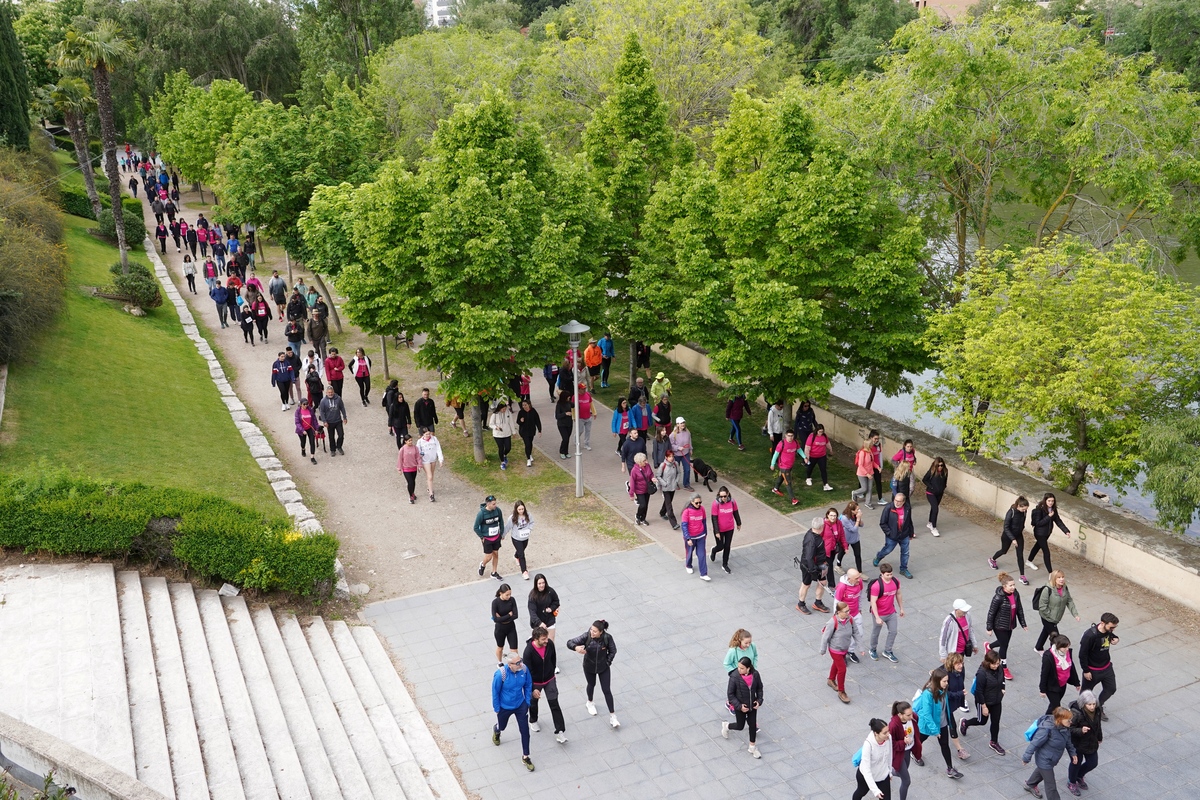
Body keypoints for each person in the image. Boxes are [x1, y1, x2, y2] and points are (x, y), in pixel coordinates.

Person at [913, 667, 965, 780]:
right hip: (929, 724)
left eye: (947, 681)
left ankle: (950, 768)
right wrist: (935, 731)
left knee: (944, 745)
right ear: (937, 681)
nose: (947, 683)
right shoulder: (928, 694)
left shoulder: (943, 689)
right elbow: (927, 715)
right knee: (920, 739)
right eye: (945, 681)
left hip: (941, 723)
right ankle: (914, 753)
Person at [567, 620, 619, 728]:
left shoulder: (607, 638)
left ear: (601, 632)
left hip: (603, 667)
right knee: (591, 684)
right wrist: (576, 648)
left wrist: (607, 662)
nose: (592, 632)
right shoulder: (587, 636)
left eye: (595, 631)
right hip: (589, 666)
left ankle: (613, 716)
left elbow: (613, 650)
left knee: (607, 690)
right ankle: (590, 702)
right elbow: (570, 642)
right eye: (591, 629)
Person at [490, 652, 535, 773]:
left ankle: (526, 756)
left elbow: (528, 684)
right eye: (517, 663)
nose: (521, 664)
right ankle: (497, 729)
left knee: (525, 731)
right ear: (510, 665)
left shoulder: (524, 670)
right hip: (505, 707)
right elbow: (495, 692)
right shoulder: (501, 674)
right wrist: (497, 709)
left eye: (520, 661)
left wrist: (527, 702)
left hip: (520, 706)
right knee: (502, 726)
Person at [1022, 707, 1077, 800]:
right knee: (1050, 785)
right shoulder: (1046, 729)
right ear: (1060, 719)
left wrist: (1073, 753)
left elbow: (1068, 741)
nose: (1071, 722)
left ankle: (1030, 784)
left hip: (1052, 758)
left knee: (1041, 771)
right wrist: (1026, 758)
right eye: (1068, 720)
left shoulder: (1064, 727)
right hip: (1044, 759)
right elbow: (1034, 743)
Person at [524, 626, 567, 743]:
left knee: (554, 704)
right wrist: (533, 688)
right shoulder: (528, 652)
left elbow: (553, 659)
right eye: (543, 639)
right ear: (536, 639)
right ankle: (533, 720)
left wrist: (552, 673)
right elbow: (527, 672)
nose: (546, 641)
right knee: (533, 703)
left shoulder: (550, 645)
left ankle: (560, 731)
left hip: (549, 679)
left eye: (546, 638)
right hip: (535, 682)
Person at [962, 650, 1006, 754]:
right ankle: (965, 723)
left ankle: (994, 742)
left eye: (997, 663)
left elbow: (1002, 678)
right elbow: (979, 691)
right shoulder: (982, 673)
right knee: (982, 721)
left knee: (996, 721)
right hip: (984, 701)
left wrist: (1003, 688)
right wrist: (984, 706)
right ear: (988, 662)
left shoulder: (999, 668)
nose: (996, 666)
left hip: (996, 699)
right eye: (993, 664)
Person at [986, 572, 1028, 680]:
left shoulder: (1015, 594)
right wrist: (989, 628)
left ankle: (989, 647)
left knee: (1003, 642)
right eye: (1011, 585)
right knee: (1004, 646)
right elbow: (991, 613)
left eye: (1014, 585)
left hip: (1010, 624)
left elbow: (1019, 609)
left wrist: (1023, 623)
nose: (1013, 587)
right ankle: (1003, 668)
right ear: (1004, 586)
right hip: (999, 625)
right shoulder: (998, 598)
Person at [1078, 613, 1119, 718]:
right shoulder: (1089, 636)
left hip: (1106, 667)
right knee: (1086, 693)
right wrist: (1086, 670)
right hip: (1092, 670)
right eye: (1111, 627)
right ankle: (1081, 712)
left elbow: (1111, 635)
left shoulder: (1108, 631)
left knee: (1111, 688)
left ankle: (1097, 707)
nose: (1113, 629)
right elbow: (1082, 655)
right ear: (1102, 623)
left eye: (1115, 627)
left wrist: (1116, 638)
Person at [721, 657, 763, 758]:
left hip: (752, 705)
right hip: (740, 706)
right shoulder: (734, 677)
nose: (739, 670)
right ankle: (726, 726)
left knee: (752, 725)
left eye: (742, 668)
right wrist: (739, 706)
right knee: (740, 726)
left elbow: (759, 688)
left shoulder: (755, 675)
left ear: (748, 668)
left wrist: (759, 701)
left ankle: (752, 747)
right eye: (738, 667)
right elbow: (730, 694)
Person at [1035, 570, 1081, 652]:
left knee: (1046, 631)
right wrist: (1051, 616)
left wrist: (1075, 614)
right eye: (1059, 577)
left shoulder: (1064, 588)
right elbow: (1042, 606)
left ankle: (1038, 647)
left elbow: (1069, 601)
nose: (1062, 579)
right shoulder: (1047, 589)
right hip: (1047, 617)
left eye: (1063, 577)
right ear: (1054, 579)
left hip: (1056, 617)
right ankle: (1055, 654)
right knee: (1056, 637)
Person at [1067, 691, 1102, 795]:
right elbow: (1068, 729)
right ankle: (1071, 782)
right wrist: (1080, 730)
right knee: (1076, 762)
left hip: (1091, 741)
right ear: (1083, 704)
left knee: (1093, 763)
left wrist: (1099, 737)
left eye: (1093, 704)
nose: (1092, 707)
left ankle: (1079, 775)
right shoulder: (1075, 713)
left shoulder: (1098, 710)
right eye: (1089, 704)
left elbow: (1098, 725)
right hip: (1077, 743)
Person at [819, 601, 855, 704]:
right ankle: (841, 691)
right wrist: (823, 649)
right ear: (839, 612)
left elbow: (855, 632)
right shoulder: (832, 622)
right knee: (842, 669)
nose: (848, 613)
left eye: (849, 610)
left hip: (844, 647)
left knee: (836, 663)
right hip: (835, 649)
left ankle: (830, 679)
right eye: (846, 611)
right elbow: (825, 637)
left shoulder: (850, 619)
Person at [867, 563, 904, 663]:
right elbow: (873, 602)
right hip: (879, 613)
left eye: (891, 574)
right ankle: (872, 649)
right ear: (882, 574)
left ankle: (888, 651)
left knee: (893, 631)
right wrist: (877, 617)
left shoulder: (895, 581)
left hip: (891, 612)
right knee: (876, 632)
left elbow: (898, 594)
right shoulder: (877, 586)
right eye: (887, 575)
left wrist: (901, 608)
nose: (890, 576)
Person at [990, 496, 1031, 584]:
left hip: (1018, 535)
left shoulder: (1024, 512)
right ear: (1019, 506)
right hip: (1008, 535)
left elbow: (1022, 522)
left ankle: (1022, 576)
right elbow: (1006, 527)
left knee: (1020, 555)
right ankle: (992, 559)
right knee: (1004, 551)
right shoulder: (1011, 512)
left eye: (1026, 509)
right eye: (1023, 509)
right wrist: (1012, 539)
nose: (1025, 511)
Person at [874, 493, 915, 580]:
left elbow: (909, 521)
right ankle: (879, 556)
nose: (897, 503)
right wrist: (889, 533)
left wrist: (911, 533)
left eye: (899, 501)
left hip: (904, 535)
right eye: (895, 500)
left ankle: (903, 569)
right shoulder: (888, 508)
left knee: (905, 553)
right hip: (892, 536)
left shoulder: (907, 508)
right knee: (887, 550)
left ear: (903, 501)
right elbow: (882, 523)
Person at [795, 517, 830, 614]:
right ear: (821, 526)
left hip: (820, 564)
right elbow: (809, 556)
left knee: (823, 582)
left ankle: (818, 602)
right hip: (809, 566)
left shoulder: (815, 534)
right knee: (806, 584)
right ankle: (800, 604)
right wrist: (812, 569)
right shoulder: (811, 540)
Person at [1029, 493, 1072, 573]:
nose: (1051, 503)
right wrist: (1048, 516)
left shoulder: (1053, 509)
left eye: (1052, 501)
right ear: (1045, 500)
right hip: (1039, 533)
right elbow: (1038, 523)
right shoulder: (1039, 509)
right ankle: (1050, 573)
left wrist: (1066, 531)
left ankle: (1029, 561)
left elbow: (1058, 521)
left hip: (1047, 533)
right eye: (1049, 501)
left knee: (1037, 546)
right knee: (1046, 552)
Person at [1038, 634, 1079, 716]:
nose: (1067, 649)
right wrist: (1042, 690)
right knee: (1057, 707)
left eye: (1068, 646)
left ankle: (1046, 718)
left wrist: (1076, 683)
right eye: (1065, 647)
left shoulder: (1067, 653)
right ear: (1057, 647)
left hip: (1063, 684)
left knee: (1053, 705)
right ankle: (1053, 722)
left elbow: (1072, 667)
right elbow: (1044, 674)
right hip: (1052, 686)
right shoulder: (1048, 656)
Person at [889, 701, 922, 800]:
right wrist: (903, 742)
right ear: (900, 715)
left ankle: (887, 772)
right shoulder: (893, 725)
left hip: (908, 750)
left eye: (911, 713)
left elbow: (916, 722)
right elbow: (891, 744)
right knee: (906, 781)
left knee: (902, 771)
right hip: (899, 753)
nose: (911, 716)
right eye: (908, 715)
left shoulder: (913, 718)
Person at [853, 719, 892, 800]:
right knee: (861, 792)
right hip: (866, 776)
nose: (888, 734)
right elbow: (867, 770)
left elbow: (889, 755)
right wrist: (875, 790)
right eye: (885, 733)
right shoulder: (868, 745)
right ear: (876, 733)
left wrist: (889, 771)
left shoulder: (888, 738)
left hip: (882, 775)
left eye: (888, 731)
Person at [834, 569, 866, 664]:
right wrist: (836, 618)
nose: (859, 580)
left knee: (859, 634)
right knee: (844, 637)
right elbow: (836, 602)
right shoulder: (842, 587)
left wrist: (859, 609)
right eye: (856, 578)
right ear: (849, 579)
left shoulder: (859, 582)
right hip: (845, 616)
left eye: (859, 577)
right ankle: (842, 654)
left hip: (856, 614)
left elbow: (860, 596)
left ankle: (850, 651)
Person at [709, 487, 742, 574]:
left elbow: (735, 512)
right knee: (720, 546)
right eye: (721, 496)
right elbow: (714, 518)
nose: (723, 498)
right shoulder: (716, 503)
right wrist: (717, 531)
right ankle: (713, 551)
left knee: (727, 546)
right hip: (719, 529)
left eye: (724, 496)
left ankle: (725, 564)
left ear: (728, 494)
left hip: (730, 528)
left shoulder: (732, 502)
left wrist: (739, 523)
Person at [680, 494, 710, 581]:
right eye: (697, 503)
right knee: (689, 553)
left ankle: (703, 573)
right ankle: (688, 565)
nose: (699, 504)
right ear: (692, 502)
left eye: (700, 502)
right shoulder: (686, 511)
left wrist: (705, 533)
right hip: (691, 537)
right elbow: (684, 526)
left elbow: (704, 521)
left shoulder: (702, 509)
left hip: (700, 536)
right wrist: (688, 538)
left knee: (702, 555)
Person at [475, 495, 505, 580]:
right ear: (488, 504)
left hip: (496, 537)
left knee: (496, 554)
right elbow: (475, 527)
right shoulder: (481, 514)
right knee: (489, 556)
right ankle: (483, 564)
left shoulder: (498, 511)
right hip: (487, 538)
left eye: (495, 503)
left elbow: (501, 522)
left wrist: (501, 533)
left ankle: (494, 572)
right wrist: (481, 536)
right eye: (493, 504)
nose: (495, 505)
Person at [491, 582, 520, 665]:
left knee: (514, 648)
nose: (509, 596)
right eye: (507, 595)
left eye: (510, 594)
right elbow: (496, 619)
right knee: (500, 647)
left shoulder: (512, 600)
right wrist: (508, 615)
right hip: (500, 628)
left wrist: (502, 618)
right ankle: (499, 662)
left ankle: (514, 663)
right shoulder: (495, 603)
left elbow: (515, 615)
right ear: (501, 593)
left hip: (510, 626)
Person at [770, 430, 802, 506]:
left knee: (782, 477)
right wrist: (772, 464)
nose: (790, 437)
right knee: (788, 482)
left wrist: (804, 457)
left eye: (792, 436)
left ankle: (775, 489)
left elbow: (799, 450)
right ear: (785, 436)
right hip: (784, 466)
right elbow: (776, 454)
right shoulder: (782, 444)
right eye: (789, 436)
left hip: (790, 465)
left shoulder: (795, 443)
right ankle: (793, 499)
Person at [506, 500, 534, 580]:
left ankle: (516, 556)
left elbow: (532, 522)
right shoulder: (512, 518)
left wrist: (529, 529)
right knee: (522, 554)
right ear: (516, 510)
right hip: (516, 538)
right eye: (519, 509)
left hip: (525, 537)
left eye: (522, 509)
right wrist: (503, 535)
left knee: (521, 550)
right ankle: (524, 571)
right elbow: (508, 527)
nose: (521, 511)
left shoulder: (528, 515)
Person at [821, 507, 848, 589]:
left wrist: (845, 547)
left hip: (833, 549)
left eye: (835, 516)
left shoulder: (839, 523)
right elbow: (818, 537)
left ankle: (821, 574)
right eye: (831, 515)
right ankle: (831, 585)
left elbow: (842, 536)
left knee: (826, 564)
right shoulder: (823, 525)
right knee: (829, 566)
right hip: (826, 550)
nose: (833, 517)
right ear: (827, 516)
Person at [527, 574, 560, 641]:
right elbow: (532, 612)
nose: (542, 585)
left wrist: (551, 608)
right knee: (539, 643)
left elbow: (556, 601)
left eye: (543, 583)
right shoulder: (532, 596)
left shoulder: (550, 591)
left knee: (550, 642)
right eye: (539, 583)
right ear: (536, 584)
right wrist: (539, 623)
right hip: (538, 623)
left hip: (549, 619)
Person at [317, 386, 348, 457]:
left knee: (341, 435)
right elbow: (322, 412)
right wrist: (324, 421)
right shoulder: (323, 401)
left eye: (331, 392)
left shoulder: (338, 399)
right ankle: (332, 449)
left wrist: (344, 417)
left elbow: (342, 408)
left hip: (338, 420)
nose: (330, 394)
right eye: (329, 392)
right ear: (326, 393)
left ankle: (339, 446)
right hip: (329, 422)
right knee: (331, 437)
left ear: (333, 392)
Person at [804, 423, 834, 491]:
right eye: (819, 431)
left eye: (822, 431)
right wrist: (807, 457)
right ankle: (808, 478)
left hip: (822, 456)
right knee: (810, 468)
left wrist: (830, 450)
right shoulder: (812, 436)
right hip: (813, 456)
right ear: (816, 431)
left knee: (823, 469)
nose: (821, 433)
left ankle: (825, 484)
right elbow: (807, 447)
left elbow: (827, 443)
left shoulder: (824, 436)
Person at [923, 457, 948, 536]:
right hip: (931, 493)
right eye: (938, 465)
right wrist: (931, 487)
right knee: (935, 509)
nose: (940, 467)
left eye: (941, 465)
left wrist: (943, 487)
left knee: (934, 508)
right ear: (935, 465)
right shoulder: (932, 471)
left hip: (939, 493)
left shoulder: (945, 472)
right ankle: (934, 528)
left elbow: (945, 481)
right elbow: (924, 479)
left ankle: (930, 522)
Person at [656, 450, 681, 529]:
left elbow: (679, 473)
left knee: (668, 501)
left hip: (673, 487)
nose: (671, 458)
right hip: (665, 488)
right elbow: (658, 476)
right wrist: (664, 483)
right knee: (669, 505)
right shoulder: (662, 465)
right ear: (666, 457)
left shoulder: (675, 464)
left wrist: (676, 481)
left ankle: (662, 512)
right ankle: (674, 523)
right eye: (669, 456)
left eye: (672, 456)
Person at [628, 453, 656, 526]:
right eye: (644, 461)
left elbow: (651, 474)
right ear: (639, 462)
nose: (646, 462)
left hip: (647, 489)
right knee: (642, 505)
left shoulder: (647, 466)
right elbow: (632, 482)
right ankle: (638, 516)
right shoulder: (634, 470)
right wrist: (631, 494)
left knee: (646, 505)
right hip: (639, 490)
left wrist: (652, 478)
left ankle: (643, 518)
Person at [488, 398, 516, 470]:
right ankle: (502, 462)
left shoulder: (508, 413)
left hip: (507, 433)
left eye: (505, 409)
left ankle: (504, 454)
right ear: (499, 408)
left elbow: (511, 422)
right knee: (501, 447)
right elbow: (491, 424)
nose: (504, 410)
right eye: (503, 409)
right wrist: (496, 427)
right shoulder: (495, 414)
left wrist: (514, 432)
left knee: (508, 447)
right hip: (498, 435)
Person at [417, 429, 444, 502]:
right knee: (430, 476)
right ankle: (431, 494)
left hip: (433, 459)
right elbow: (418, 453)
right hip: (425, 461)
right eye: (426, 434)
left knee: (431, 475)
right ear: (423, 435)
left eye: (429, 434)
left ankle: (429, 487)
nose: (428, 436)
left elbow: (438, 449)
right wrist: (419, 463)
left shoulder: (434, 439)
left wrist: (440, 459)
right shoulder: (420, 442)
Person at [838, 502, 864, 573]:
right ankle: (838, 565)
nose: (859, 511)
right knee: (842, 552)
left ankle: (859, 571)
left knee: (858, 554)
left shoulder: (855, 515)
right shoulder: (844, 518)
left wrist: (859, 518)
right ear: (852, 510)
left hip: (855, 538)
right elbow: (853, 530)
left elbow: (862, 525)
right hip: (846, 539)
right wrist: (858, 519)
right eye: (857, 509)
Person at [515, 400, 541, 467]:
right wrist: (521, 421)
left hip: (531, 431)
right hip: (524, 431)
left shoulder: (533, 411)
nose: (524, 406)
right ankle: (528, 459)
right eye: (523, 405)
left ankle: (529, 454)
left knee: (530, 443)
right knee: (527, 444)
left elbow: (537, 421)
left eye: (525, 405)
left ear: (529, 404)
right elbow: (517, 421)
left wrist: (539, 430)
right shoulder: (521, 412)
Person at [670, 418, 693, 490]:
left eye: (683, 422)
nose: (683, 424)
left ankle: (686, 484)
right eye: (681, 423)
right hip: (676, 455)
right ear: (677, 424)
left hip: (685, 454)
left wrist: (690, 449)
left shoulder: (687, 432)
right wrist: (677, 448)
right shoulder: (673, 434)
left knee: (687, 469)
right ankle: (675, 483)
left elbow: (689, 441)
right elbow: (671, 445)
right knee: (676, 470)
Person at [294, 398, 319, 464]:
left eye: (307, 404)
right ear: (301, 405)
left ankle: (312, 457)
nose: (305, 405)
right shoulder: (298, 412)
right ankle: (303, 449)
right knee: (303, 442)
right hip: (302, 429)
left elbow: (314, 420)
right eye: (304, 404)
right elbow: (297, 422)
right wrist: (302, 430)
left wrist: (316, 429)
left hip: (310, 428)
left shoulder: (310, 410)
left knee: (312, 442)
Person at [397, 434, 421, 503]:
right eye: (409, 441)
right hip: (406, 468)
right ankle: (411, 496)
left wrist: (419, 465)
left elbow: (418, 457)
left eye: (411, 440)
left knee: (413, 482)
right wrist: (399, 468)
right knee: (410, 482)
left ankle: (412, 492)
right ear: (405, 441)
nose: (410, 442)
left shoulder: (415, 448)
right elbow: (400, 459)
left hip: (414, 468)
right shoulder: (402, 449)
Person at [852, 440, 876, 509]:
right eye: (871, 444)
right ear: (868, 445)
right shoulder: (862, 453)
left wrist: (877, 467)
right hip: (862, 473)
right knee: (864, 488)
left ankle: (868, 503)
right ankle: (855, 493)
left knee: (870, 489)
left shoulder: (870, 452)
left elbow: (872, 462)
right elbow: (860, 465)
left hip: (870, 472)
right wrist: (867, 473)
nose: (872, 445)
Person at [554, 391, 574, 460]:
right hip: (562, 424)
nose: (569, 397)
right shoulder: (559, 404)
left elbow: (575, 405)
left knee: (567, 438)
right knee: (565, 438)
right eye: (568, 396)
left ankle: (566, 452)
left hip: (569, 423)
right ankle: (562, 451)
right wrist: (565, 414)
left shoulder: (569, 402)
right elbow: (557, 416)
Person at [576, 383, 595, 450]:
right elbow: (573, 408)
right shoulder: (575, 396)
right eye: (583, 389)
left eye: (585, 388)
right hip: (580, 417)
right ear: (578, 389)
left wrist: (594, 412)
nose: (584, 390)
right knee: (580, 430)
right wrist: (574, 417)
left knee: (588, 431)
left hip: (588, 416)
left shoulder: (587, 394)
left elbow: (591, 404)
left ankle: (586, 444)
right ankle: (576, 438)